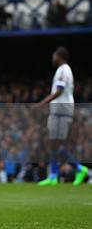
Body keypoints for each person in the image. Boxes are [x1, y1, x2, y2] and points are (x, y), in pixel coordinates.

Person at [37, 47, 88, 186]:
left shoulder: (64, 70)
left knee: (56, 143)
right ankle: (53, 176)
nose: (53, 58)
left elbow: (59, 91)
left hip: (61, 110)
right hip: (58, 110)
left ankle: (79, 169)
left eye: (54, 55)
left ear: (59, 56)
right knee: (53, 144)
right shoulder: (62, 70)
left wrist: (42, 103)